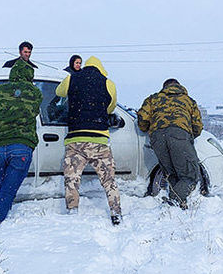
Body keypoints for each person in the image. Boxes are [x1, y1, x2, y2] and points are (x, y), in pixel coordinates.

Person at [0, 59, 43, 229]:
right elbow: (33, 111)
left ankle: (2, 215)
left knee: (5, 187)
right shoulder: (35, 93)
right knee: (7, 191)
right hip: (21, 147)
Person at [55, 56, 122, 225]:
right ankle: (116, 213)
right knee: (108, 180)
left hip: (76, 138)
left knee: (72, 179)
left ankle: (72, 210)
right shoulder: (108, 83)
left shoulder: (72, 78)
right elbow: (111, 107)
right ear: (101, 68)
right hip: (99, 139)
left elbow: (58, 92)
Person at [137, 79, 204, 209]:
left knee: (171, 173)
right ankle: (174, 202)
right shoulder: (188, 101)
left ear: (164, 87)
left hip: (158, 138)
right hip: (180, 135)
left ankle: (179, 204)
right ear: (179, 87)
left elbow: (142, 120)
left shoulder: (153, 99)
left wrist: (149, 129)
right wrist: (185, 137)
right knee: (190, 175)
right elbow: (197, 127)